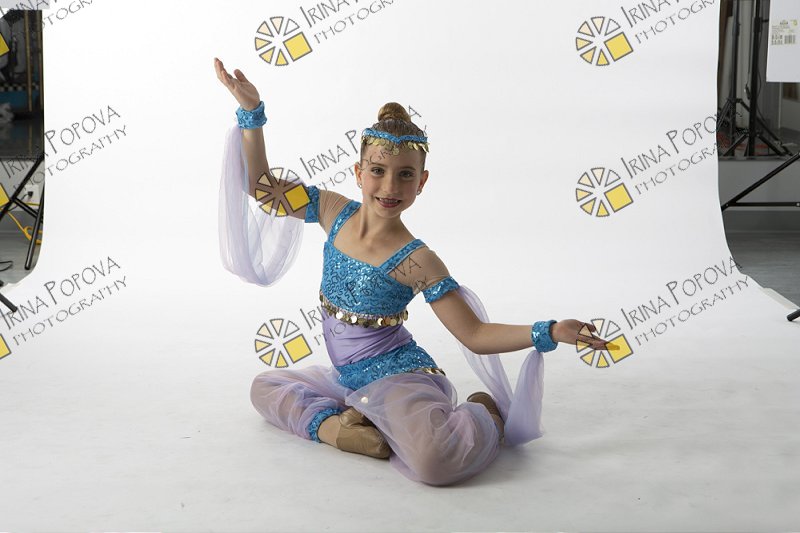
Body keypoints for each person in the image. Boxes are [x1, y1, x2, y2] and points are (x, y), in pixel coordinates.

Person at [214, 57, 608, 486]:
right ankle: (339, 430)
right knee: (264, 387)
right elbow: (263, 190)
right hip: (346, 378)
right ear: (358, 173)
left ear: (422, 182)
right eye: (378, 171)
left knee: (435, 463)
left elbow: (474, 334)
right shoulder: (331, 211)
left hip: (397, 377)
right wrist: (252, 114)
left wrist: (548, 331)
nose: (389, 187)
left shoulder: (417, 260)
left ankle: (483, 413)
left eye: (405, 175)